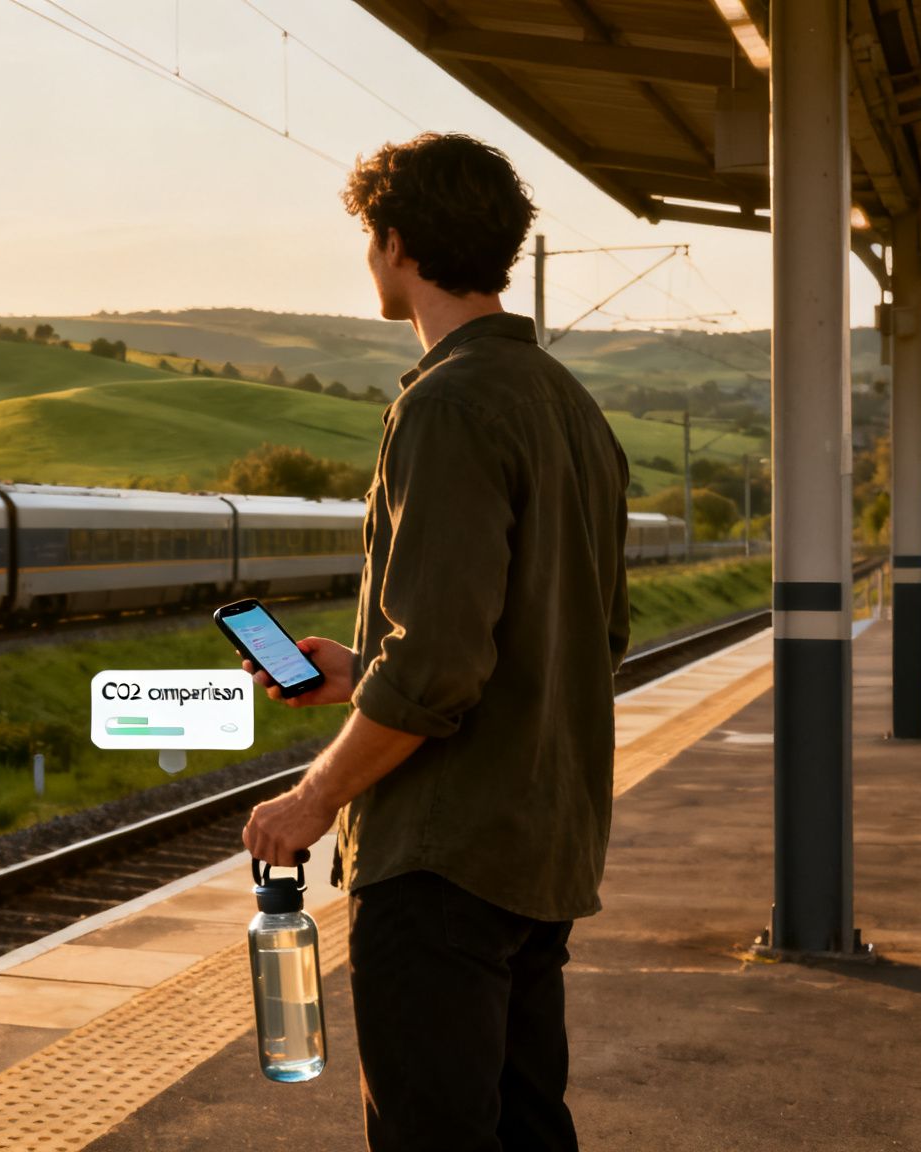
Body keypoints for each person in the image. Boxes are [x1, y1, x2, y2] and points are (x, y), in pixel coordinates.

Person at [240, 133, 631, 1152]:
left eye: (369, 238)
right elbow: (588, 640)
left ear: (395, 242)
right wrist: (359, 681)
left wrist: (311, 797)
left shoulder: (445, 404)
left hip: (441, 861)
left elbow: (440, 665)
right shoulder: (572, 409)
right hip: (540, 845)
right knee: (525, 1129)